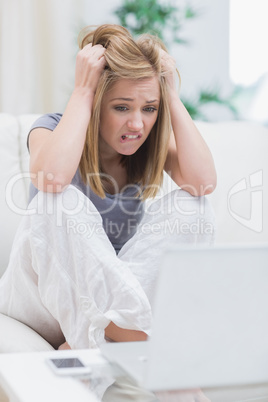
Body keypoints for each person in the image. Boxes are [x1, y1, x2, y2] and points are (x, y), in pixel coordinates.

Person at [0, 24, 216, 350]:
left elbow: (203, 183)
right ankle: (137, 342)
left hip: (111, 305)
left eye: (149, 108)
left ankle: (98, 338)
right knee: (56, 200)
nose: (137, 124)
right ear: (99, 102)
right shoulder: (50, 128)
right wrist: (83, 90)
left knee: (193, 207)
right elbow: (51, 179)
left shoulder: (147, 148)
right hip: (40, 297)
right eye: (121, 107)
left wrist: (171, 94)